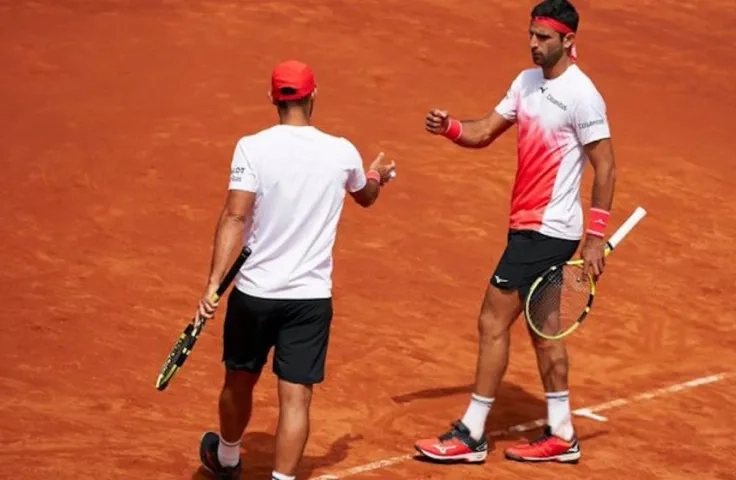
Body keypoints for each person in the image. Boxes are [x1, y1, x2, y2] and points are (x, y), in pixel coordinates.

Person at [413, 0, 616, 465]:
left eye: (542, 38)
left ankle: (472, 433)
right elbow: (484, 131)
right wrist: (450, 128)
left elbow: (606, 166)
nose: (532, 44)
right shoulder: (525, 84)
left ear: (568, 41)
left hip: (546, 231)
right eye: (531, 35)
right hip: (527, 226)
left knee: (491, 321)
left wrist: (596, 237)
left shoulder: (583, 95)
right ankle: (562, 434)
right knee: (545, 333)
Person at [192, 60, 396, 480]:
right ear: (313, 95)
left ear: (273, 98)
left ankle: (227, 457)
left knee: (238, 380)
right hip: (309, 300)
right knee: (296, 401)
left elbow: (235, 216)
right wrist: (377, 173)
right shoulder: (342, 151)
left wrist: (213, 284)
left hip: (253, 294)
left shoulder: (252, 147)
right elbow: (367, 195)